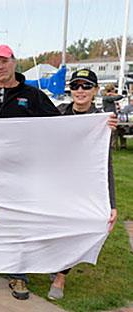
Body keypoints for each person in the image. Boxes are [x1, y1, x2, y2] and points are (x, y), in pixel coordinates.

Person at [0, 44, 61, 300]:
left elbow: (60, 125)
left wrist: (94, 123)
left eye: (4, 61)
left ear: (14, 62)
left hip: (21, 173)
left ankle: (19, 274)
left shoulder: (32, 95)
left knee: (18, 223)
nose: (0, 67)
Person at [49, 69, 118, 300]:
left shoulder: (103, 121)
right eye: (76, 86)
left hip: (84, 186)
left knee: (80, 228)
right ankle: (51, 262)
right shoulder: (57, 114)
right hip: (56, 183)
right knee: (53, 228)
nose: (80, 91)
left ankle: (61, 275)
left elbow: (105, 164)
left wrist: (112, 202)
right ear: (70, 90)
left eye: (86, 86)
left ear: (95, 90)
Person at [102, 84, 127, 149]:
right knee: (112, 132)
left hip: (114, 116)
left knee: (121, 129)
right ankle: (112, 146)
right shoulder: (106, 97)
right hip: (110, 116)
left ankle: (122, 145)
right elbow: (119, 97)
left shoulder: (108, 97)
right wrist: (114, 94)